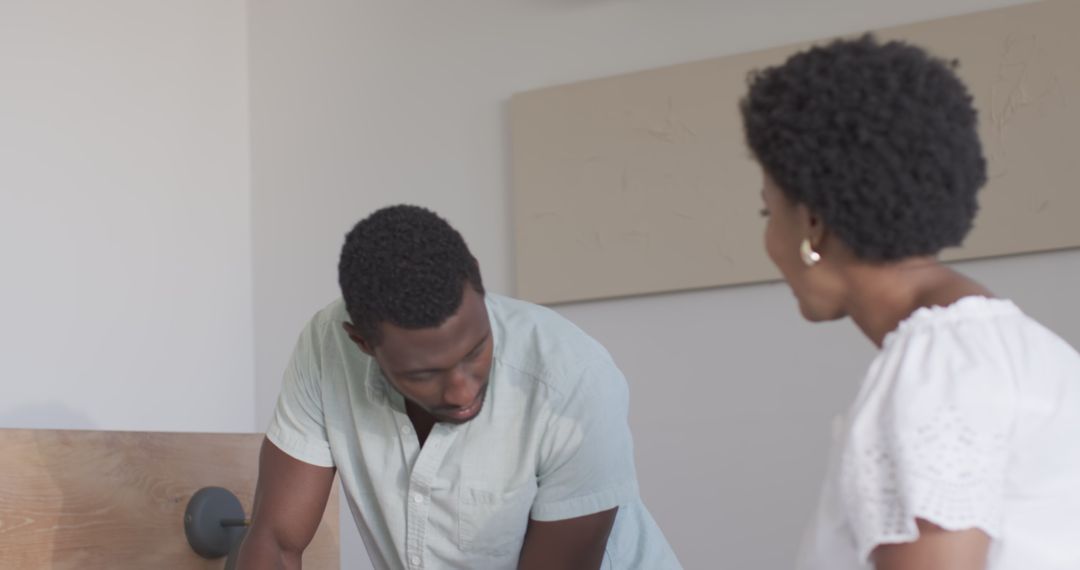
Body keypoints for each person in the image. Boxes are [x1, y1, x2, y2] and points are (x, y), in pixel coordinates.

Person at [740, 35, 1080, 570]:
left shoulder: (935, 372)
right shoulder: (1025, 351)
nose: (768, 240)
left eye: (768, 213)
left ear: (811, 224)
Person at [235, 204, 681, 569]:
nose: (462, 392)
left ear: (480, 287)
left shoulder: (572, 378)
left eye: (475, 351)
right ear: (362, 343)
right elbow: (275, 541)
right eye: (423, 374)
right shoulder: (326, 348)